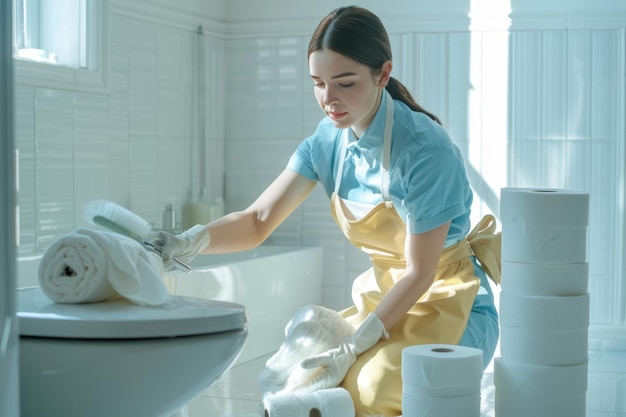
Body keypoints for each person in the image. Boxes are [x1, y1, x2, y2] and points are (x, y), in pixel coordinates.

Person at [152, 6, 501, 416]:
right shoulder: (328, 142)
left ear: (383, 74)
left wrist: (355, 345)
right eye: (318, 83)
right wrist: (187, 242)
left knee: (369, 388)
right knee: (304, 374)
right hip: (386, 301)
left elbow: (420, 272)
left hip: (449, 301)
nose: (328, 100)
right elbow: (258, 220)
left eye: (344, 83)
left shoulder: (425, 150)